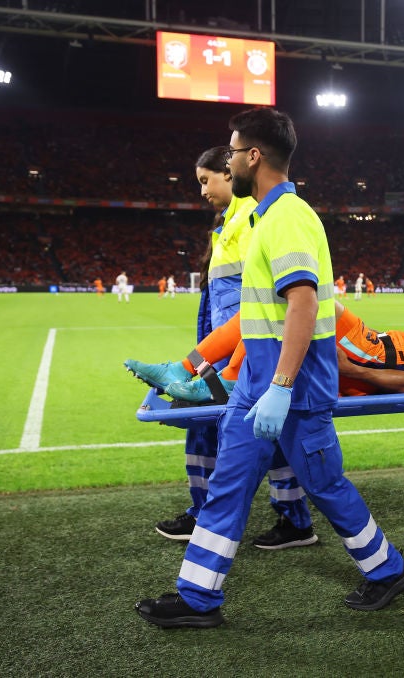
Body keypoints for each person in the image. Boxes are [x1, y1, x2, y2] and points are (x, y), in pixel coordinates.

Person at [135, 107, 404, 629]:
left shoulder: (286, 217)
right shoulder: (268, 217)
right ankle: (198, 598)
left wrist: (282, 387)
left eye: (235, 151)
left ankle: (387, 569)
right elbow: (262, 317)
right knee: (228, 486)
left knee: (326, 486)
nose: (232, 160)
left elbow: (304, 304)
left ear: (254, 156)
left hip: (294, 390)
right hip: (258, 388)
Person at [148, 145, 316, 552]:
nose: (203, 190)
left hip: (243, 349)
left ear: (230, 171)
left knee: (239, 428)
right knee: (251, 430)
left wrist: (230, 361)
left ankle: (223, 516)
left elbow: (260, 299)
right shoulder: (231, 221)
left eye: (207, 180)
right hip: (228, 347)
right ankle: (283, 517)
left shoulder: (252, 217)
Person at [127, 301, 404, 403]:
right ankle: (193, 371)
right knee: (271, 305)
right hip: (375, 347)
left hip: (372, 355)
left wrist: (350, 369)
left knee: (299, 300)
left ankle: (219, 383)